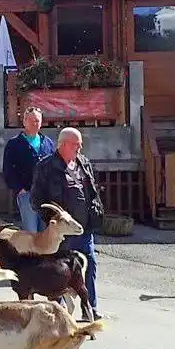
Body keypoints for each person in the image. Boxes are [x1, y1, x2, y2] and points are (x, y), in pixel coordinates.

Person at [30, 126, 103, 317]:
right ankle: (59, 311)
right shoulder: (45, 167)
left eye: (80, 145)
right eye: (75, 145)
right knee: (59, 271)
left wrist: (96, 210)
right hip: (63, 232)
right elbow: (36, 200)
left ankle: (90, 309)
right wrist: (52, 223)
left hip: (84, 228)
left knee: (90, 265)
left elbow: (92, 191)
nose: (79, 149)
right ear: (62, 145)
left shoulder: (83, 163)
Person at [2, 107, 54, 232]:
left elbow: (54, 167)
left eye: (37, 120)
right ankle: (30, 253)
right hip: (26, 194)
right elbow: (8, 169)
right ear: (24, 122)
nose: (35, 123)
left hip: (45, 195)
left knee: (45, 230)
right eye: (31, 120)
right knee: (31, 231)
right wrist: (19, 189)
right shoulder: (14, 144)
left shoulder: (48, 143)